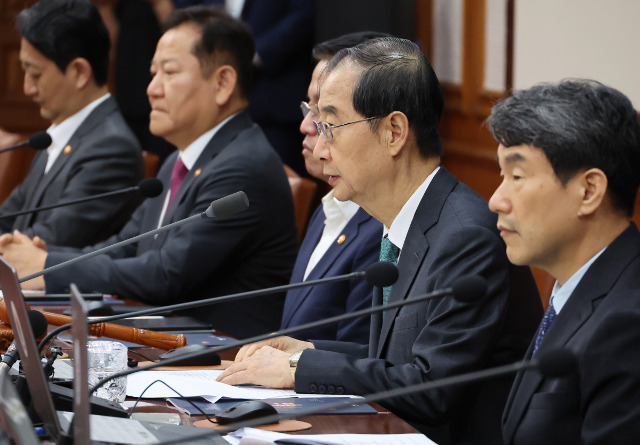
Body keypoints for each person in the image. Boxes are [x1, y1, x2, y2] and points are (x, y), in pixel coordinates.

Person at [218, 37, 543, 444]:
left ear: (393, 132)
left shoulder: (465, 237)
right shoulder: (405, 221)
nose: (319, 147)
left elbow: (429, 387)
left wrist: (302, 368)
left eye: (331, 126)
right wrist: (306, 349)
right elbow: (395, 361)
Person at [0, 6, 298, 339]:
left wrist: (47, 266)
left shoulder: (243, 166)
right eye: (153, 73)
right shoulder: (178, 160)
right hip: (164, 343)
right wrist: (45, 256)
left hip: (222, 360)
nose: (152, 89)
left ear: (223, 82)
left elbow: (164, 274)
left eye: (168, 73)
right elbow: (125, 246)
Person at [487, 79, 640, 445]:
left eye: (518, 176)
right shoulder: (576, 289)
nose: (496, 200)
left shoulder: (628, 327)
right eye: (501, 175)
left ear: (588, 191)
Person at [0, 0, 144, 247]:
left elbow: (44, 243)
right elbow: (8, 218)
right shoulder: (58, 134)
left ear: (79, 72)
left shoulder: (111, 149)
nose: (27, 88)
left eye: (35, 74)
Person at [281, 32, 391, 344]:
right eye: (309, 108)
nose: (306, 125)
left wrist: (290, 365)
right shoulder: (330, 205)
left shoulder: (383, 226)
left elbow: (362, 353)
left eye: (326, 114)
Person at [168, 0, 316, 176]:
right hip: (217, 103)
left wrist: (251, 53)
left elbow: (302, 15)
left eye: (168, 71)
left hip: (273, 99)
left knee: (269, 176)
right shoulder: (173, 162)